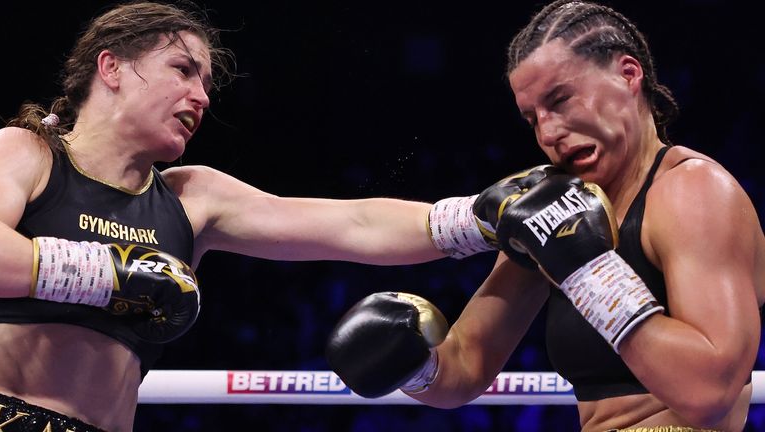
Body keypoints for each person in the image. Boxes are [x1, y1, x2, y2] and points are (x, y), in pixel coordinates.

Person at [0, 1, 510, 431]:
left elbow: (352, 225)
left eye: (206, 83)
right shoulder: (28, 153)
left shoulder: (192, 197)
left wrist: (484, 218)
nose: (201, 96)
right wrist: (114, 274)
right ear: (110, 68)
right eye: (183, 69)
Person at [326, 1, 765, 431]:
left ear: (628, 75)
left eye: (561, 100)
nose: (548, 133)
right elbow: (466, 364)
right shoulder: (560, 207)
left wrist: (589, 271)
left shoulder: (696, 191)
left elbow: (711, 393)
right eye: (532, 118)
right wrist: (414, 363)